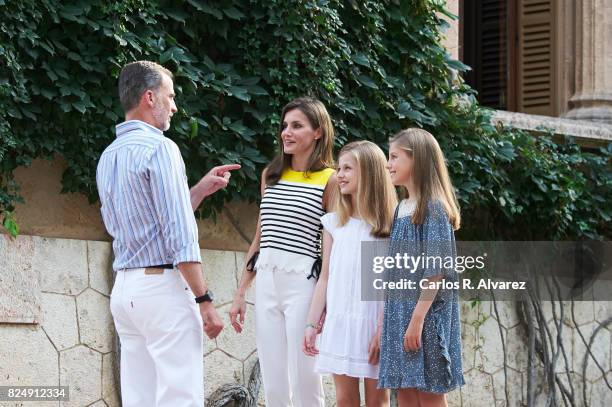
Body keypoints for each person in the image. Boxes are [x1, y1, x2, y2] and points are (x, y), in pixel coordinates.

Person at [96, 60, 240, 407]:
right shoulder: (161, 148)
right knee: (180, 398)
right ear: (149, 97)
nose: (174, 105)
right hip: (162, 291)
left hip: (127, 292)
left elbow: (148, 222)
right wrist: (204, 299)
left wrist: (199, 191)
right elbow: (178, 234)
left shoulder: (108, 156)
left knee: (140, 399)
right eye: (170, 96)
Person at [229, 97, 336, 406]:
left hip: (303, 282)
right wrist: (240, 292)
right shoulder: (271, 175)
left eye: (297, 126)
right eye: (284, 126)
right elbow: (262, 235)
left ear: (318, 132)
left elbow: (332, 244)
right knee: (274, 379)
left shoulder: (330, 179)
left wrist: (324, 301)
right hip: (266, 281)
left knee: (305, 376)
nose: (286, 133)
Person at [302, 141, 396, 407]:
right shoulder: (334, 224)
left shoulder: (391, 227)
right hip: (341, 323)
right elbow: (326, 277)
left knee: (378, 401)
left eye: (348, 169)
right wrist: (311, 325)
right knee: (345, 400)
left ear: (369, 173)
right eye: (339, 168)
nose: (339, 175)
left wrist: (383, 328)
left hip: (376, 324)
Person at [378, 128, 465, 406]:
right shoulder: (401, 208)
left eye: (394, 157)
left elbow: (436, 271)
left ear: (416, 160)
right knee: (404, 392)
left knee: (429, 394)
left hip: (425, 317)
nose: (388, 164)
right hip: (400, 314)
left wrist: (416, 321)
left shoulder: (434, 208)